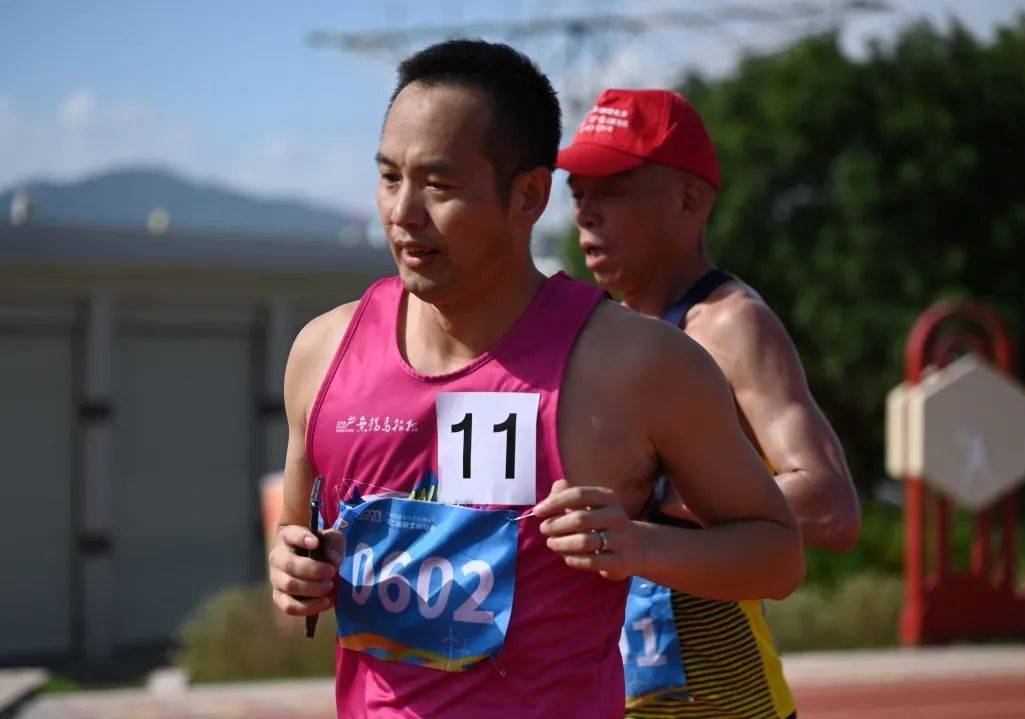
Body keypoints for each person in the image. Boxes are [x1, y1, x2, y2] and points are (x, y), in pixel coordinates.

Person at [267, 42, 804, 719]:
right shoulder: (321, 351)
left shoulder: (638, 365)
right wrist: (294, 571)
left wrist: (640, 545)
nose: (403, 211)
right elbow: (294, 544)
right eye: (388, 177)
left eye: (438, 185)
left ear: (527, 195)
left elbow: (777, 556)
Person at [558, 88, 861, 719]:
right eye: (578, 193)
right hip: (611, 688)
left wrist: (661, 499)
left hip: (718, 697)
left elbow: (831, 505)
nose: (586, 214)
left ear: (689, 200)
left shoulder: (729, 324)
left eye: (610, 189)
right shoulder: (599, 334)